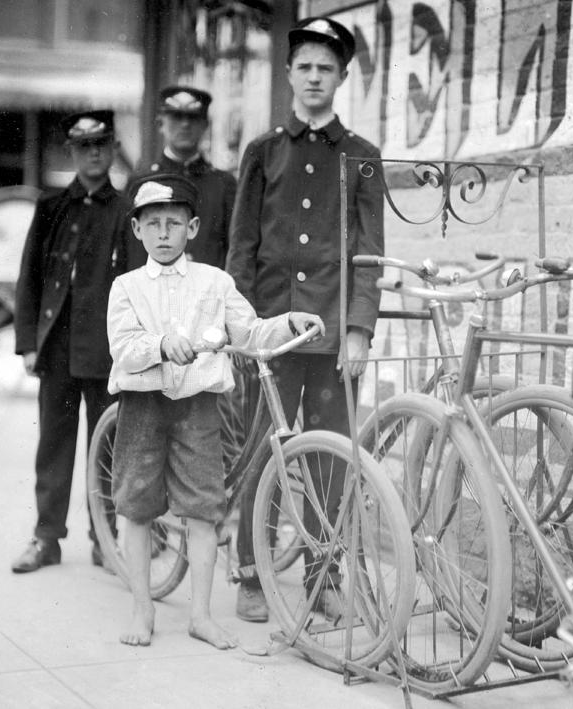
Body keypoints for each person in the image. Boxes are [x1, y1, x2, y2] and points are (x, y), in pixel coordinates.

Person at [107, 173, 323, 647]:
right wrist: (162, 344)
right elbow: (124, 347)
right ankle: (142, 611)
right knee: (138, 509)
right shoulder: (125, 287)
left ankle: (200, 615)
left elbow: (249, 331)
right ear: (137, 230)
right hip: (143, 406)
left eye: (174, 223)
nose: (164, 233)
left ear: (193, 227)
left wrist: (288, 321)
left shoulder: (215, 282)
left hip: (198, 408)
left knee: (204, 510)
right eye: (153, 224)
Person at [226, 16, 384, 623]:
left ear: (342, 77)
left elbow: (368, 251)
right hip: (270, 330)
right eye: (306, 67)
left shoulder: (362, 157)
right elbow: (242, 246)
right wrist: (240, 325)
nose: (315, 77)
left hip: (333, 332)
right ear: (290, 74)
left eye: (327, 68)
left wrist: (359, 328)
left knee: (330, 457)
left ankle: (323, 576)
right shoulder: (264, 152)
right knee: (264, 450)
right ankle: (250, 573)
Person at [12, 109, 129, 573]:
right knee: (54, 447)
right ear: (72, 152)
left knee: (109, 447)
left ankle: (106, 538)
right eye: (84, 146)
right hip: (58, 347)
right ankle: (46, 538)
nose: (93, 153)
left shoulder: (126, 211)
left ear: (113, 148)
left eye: (101, 144)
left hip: (107, 351)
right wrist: (27, 342)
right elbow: (30, 278)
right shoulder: (51, 208)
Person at [126, 85, 236, 270]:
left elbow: (233, 248)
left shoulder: (224, 185)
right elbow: (132, 251)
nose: (185, 124)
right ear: (160, 123)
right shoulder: (141, 182)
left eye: (193, 118)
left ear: (205, 125)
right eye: (176, 117)